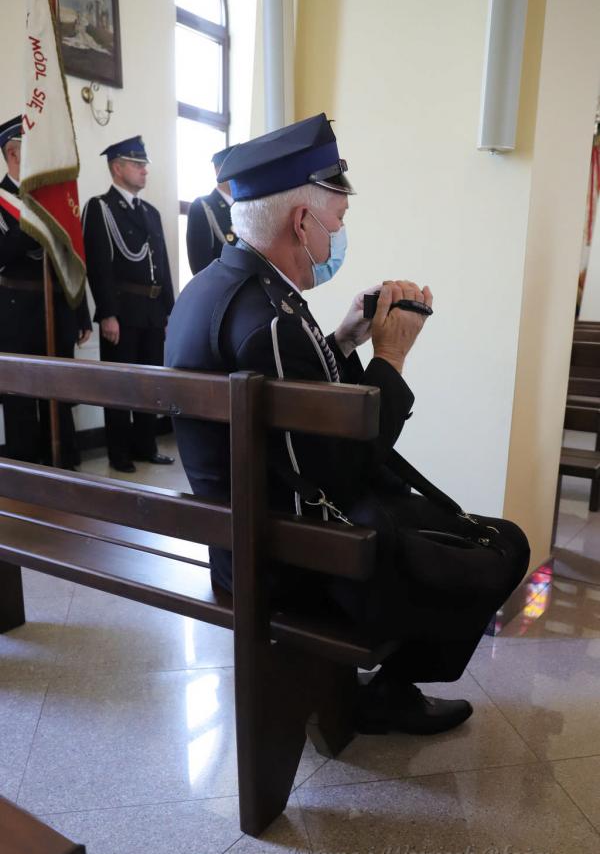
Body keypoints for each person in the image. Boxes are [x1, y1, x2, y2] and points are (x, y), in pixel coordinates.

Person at [165, 114, 530, 735]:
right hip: (295, 562)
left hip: (246, 539)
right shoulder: (271, 321)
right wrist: (392, 356)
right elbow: (337, 474)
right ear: (301, 222)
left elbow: (289, 411)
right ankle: (388, 693)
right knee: (505, 545)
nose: (339, 233)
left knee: (440, 523)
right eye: (336, 220)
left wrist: (341, 339)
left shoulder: (218, 289)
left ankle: (381, 686)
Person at [0, 115, 92, 468]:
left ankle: (64, 464)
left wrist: (80, 310)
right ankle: (27, 470)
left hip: (58, 305)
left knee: (59, 390)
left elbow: (71, 257)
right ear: (13, 154)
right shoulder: (3, 198)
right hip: (15, 311)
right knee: (20, 395)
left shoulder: (52, 198)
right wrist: (31, 224)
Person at [83, 135, 175, 473]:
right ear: (117, 167)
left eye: (144, 164)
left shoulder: (150, 212)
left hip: (152, 311)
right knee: (119, 385)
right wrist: (107, 313)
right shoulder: (101, 208)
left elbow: (162, 267)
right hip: (122, 310)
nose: (144, 170)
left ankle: (146, 445)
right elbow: (98, 266)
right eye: (137, 164)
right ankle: (119, 452)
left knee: (150, 383)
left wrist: (170, 312)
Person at [186, 145, 238, 275]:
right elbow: (200, 267)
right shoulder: (203, 207)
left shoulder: (243, 207)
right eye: (235, 165)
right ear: (218, 171)